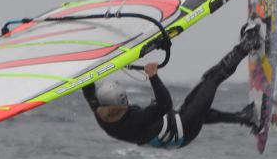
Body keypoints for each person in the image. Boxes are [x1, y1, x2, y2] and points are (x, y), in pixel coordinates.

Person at [81, 26, 262, 148]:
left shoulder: (101, 114)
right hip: (184, 125)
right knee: (212, 79)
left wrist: (85, 63)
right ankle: (249, 43)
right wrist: (153, 77)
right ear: (122, 100)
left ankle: (246, 117)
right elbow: (165, 104)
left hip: (179, 131)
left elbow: (88, 90)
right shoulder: (135, 119)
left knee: (202, 111)